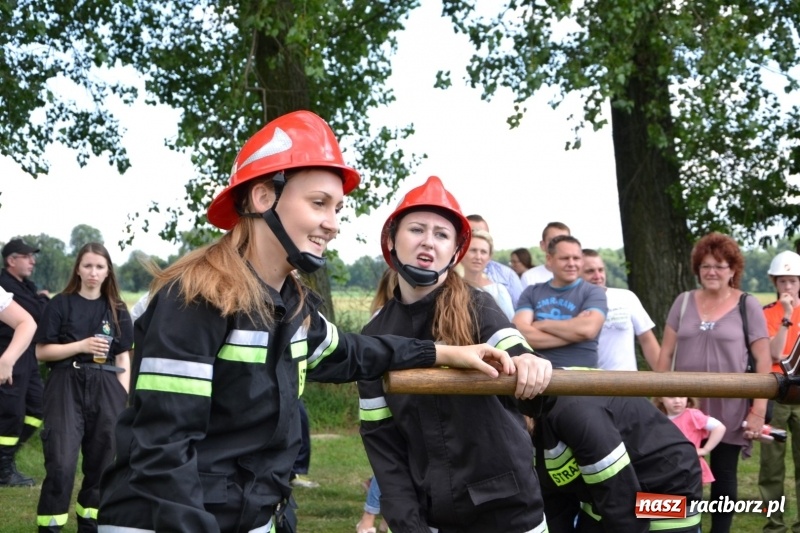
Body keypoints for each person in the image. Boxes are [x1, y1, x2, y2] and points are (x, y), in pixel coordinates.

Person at [97, 111, 516, 533]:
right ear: (263, 198)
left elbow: (355, 352)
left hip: (251, 516)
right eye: (318, 203)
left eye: (337, 209)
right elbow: (164, 453)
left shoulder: (292, 307)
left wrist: (444, 352)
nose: (332, 225)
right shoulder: (195, 298)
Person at [358, 175, 553, 533]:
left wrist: (527, 361)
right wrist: (407, 524)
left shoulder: (478, 305)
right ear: (391, 239)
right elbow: (382, 443)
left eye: (441, 234)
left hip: (509, 511)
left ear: (455, 251)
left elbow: (510, 344)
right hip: (432, 515)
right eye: (417, 229)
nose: (428, 243)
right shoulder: (373, 337)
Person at [656, 231, 771, 533]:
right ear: (697, 268)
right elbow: (665, 354)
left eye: (720, 266)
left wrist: (758, 410)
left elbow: (762, 361)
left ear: (733, 270)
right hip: (685, 405)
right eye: (706, 265)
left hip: (730, 405)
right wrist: (659, 398)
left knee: (723, 475)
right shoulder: (682, 302)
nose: (712, 272)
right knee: (679, 470)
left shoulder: (748, 305)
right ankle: (678, 527)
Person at [35, 242, 133, 533]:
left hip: (107, 387)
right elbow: (42, 352)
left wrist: (122, 394)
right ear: (78, 268)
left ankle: (90, 525)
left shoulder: (117, 309)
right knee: (61, 464)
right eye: (88, 265)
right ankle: (50, 527)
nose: (93, 272)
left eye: (99, 267)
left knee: (102, 464)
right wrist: (80, 346)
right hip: (66, 383)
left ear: (107, 272)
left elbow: (123, 354)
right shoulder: (60, 304)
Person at [521, 394, 703, 532]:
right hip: (602, 499)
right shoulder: (534, 423)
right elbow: (555, 502)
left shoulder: (575, 414)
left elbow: (619, 498)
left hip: (666, 488)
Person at [513, 235, 607, 368]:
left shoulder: (593, 292)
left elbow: (587, 330)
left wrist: (541, 324)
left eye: (576, 258)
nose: (571, 264)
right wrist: (574, 334)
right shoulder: (532, 292)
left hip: (582, 376)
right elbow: (520, 334)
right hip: (539, 374)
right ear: (549, 260)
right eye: (564, 258)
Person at [0, 238, 49, 487]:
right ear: (11, 260)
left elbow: (38, 311)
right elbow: (38, 314)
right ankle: (3, 471)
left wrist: (39, 300)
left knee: (37, 409)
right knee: (10, 412)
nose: (33, 260)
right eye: (27, 256)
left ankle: (4, 460)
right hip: (9, 351)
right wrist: (42, 300)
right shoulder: (5, 284)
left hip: (27, 355)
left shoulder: (25, 286)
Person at [759, 250, 800, 533]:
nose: (787, 287)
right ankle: (775, 524)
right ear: (774, 282)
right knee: (772, 466)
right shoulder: (766, 313)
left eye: (793, 281)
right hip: (775, 395)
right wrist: (786, 316)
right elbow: (774, 351)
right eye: (782, 281)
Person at [581, 249, 660, 370]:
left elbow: (647, 340)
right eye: (590, 271)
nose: (598, 276)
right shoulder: (569, 304)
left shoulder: (626, 297)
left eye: (601, 270)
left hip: (628, 384)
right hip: (587, 383)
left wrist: (666, 380)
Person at [653, 396, 726, 484]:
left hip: (689, 466)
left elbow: (719, 427)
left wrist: (705, 450)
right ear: (660, 398)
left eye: (682, 396)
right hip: (665, 467)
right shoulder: (657, 418)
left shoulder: (692, 415)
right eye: (671, 397)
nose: (677, 401)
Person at [464, 214, 523, 306]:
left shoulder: (507, 275)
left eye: (482, 235)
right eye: (471, 234)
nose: (477, 238)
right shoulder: (445, 273)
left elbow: (519, 311)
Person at [459, 229, 515, 320]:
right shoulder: (451, 288)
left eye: (483, 252)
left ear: (489, 257)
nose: (478, 257)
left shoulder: (498, 291)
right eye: (473, 250)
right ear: (462, 254)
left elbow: (509, 325)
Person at [520, 222, 570, 288]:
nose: (559, 245)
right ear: (542, 245)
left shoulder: (580, 276)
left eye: (564, 240)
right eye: (553, 240)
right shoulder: (529, 277)